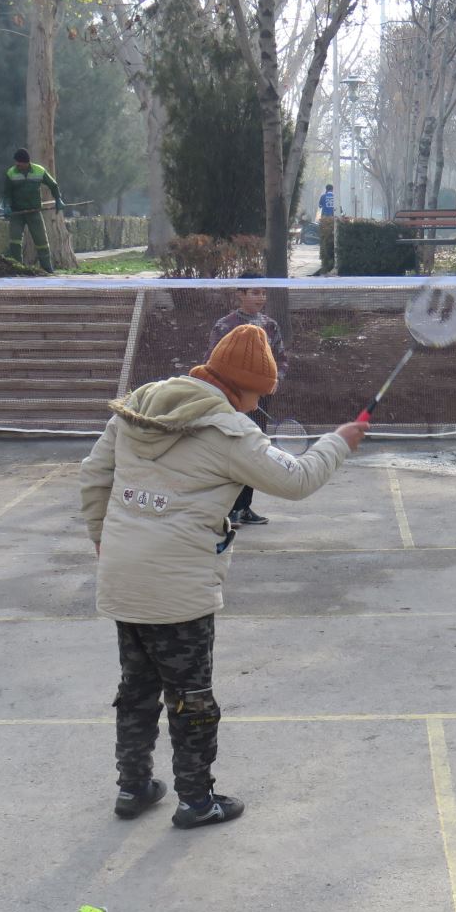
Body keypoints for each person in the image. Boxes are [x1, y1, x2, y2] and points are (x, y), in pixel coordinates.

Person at [81, 324, 369, 829]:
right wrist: (338, 442)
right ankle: (196, 801)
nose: (258, 405)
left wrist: (101, 538)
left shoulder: (138, 406)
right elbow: (297, 480)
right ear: (240, 386)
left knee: (137, 687)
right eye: (258, 394)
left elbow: (94, 475)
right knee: (191, 696)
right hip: (179, 587)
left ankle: (133, 786)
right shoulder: (229, 431)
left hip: (123, 575)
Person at [210, 274, 290, 525]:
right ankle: (227, 509)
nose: (261, 297)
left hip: (259, 401)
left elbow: (281, 359)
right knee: (231, 453)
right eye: (255, 292)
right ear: (241, 294)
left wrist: (275, 381)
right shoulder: (225, 326)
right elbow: (212, 362)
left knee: (252, 453)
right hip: (231, 402)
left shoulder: (270, 326)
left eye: (263, 292)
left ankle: (244, 508)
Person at [4, 148, 63, 273]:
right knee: (14, 241)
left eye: (19, 163)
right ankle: (17, 268)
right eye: (16, 162)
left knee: (41, 241)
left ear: (26, 162)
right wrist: (7, 206)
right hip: (16, 213)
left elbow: (53, 185)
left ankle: (47, 268)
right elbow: (6, 193)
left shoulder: (39, 171)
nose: (17, 165)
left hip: (34, 212)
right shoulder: (11, 173)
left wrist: (58, 199)